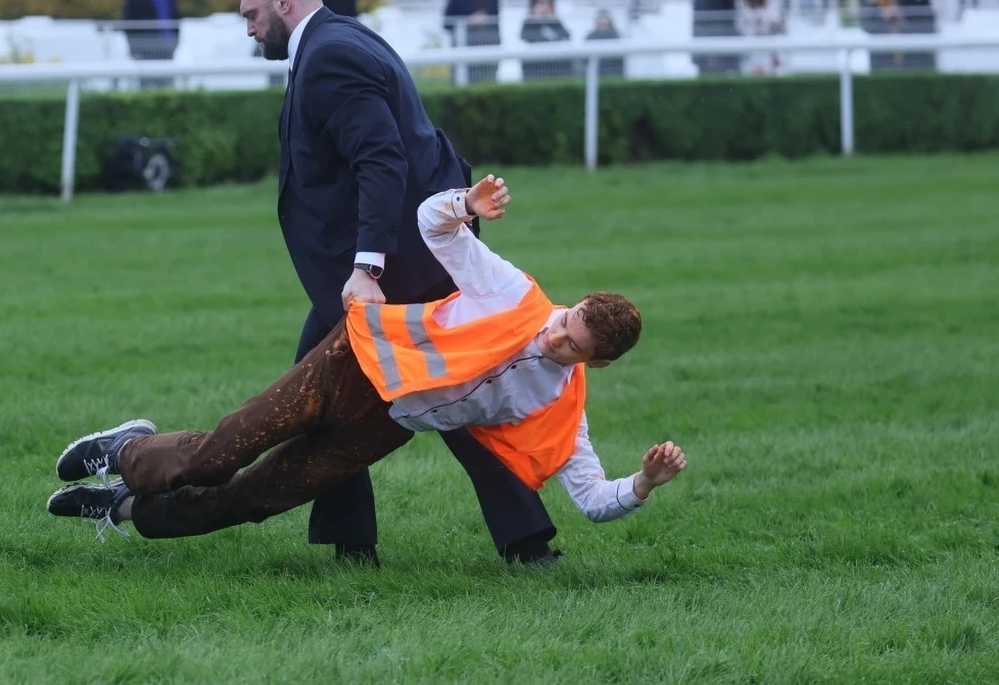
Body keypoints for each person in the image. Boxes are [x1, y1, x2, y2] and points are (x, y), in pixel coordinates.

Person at [46, 174, 688, 551]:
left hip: (385, 427)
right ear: (571, 306)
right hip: (353, 363)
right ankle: (128, 450)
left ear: (594, 365)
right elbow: (431, 223)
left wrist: (644, 485)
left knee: (252, 501)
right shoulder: (514, 293)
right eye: (565, 323)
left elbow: (593, 500)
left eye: (573, 347)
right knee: (221, 456)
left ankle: (123, 509)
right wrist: (467, 204)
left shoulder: (561, 404)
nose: (557, 339)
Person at [231, 0, 561, 567]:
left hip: (391, 270)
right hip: (415, 258)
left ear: (282, 0)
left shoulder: (329, 55)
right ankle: (514, 540)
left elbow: (383, 161)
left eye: (250, 14)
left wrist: (368, 267)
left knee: (330, 398)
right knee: (439, 393)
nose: (248, 29)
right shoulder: (344, 38)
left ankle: (357, 547)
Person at [122, 0, 183, 88]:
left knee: (166, 84)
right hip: (145, 50)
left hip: (166, 48)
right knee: (147, 85)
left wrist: (175, 42)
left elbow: (176, 19)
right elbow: (128, 25)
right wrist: (134, 50)